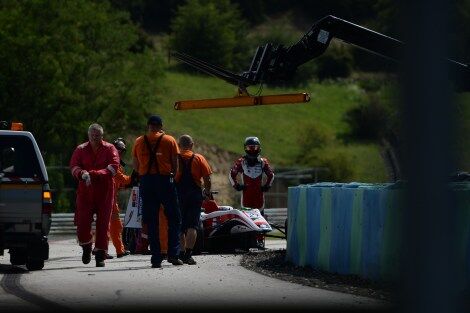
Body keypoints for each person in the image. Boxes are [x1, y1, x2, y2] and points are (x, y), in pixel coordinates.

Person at [132, 115, 182, 268]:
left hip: (146, 182)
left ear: (148, 126)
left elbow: (135, 165)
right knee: (174, 218)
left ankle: (156, 258)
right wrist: (171, 175)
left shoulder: (139, 141)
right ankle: (173, 254)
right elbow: (175, 165)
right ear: (161, 126)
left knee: (151, 221)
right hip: (165, 181)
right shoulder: (169, 140)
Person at [70, 123, 120, 267]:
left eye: (97, 135)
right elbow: (74, 166)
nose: (95, 137)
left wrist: (95, 174)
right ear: (88, 135)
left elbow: (114, 166)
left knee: (103, 224)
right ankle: (86, 246)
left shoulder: (110, 148)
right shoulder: (80, 149)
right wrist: (82, 174)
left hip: (105, 191)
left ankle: (100, 255)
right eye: (92, 135)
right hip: (85, 190)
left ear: (102, 136)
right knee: (82, 222)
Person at [175, 135, 212, 265]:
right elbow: (207, 178)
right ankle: (188, 254)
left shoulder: (175, 158)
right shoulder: (198, 158)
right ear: (192, 145)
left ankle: (180, 253)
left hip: (178, 194)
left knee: (179, 225)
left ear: (179, 145)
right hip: (194, 194)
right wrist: (207, 192)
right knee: (192, 225)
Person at [229, 136, 274, 212]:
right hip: (246, 198)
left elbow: (271, 175)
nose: (252, 150)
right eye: (250, 148)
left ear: (259, 148)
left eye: (255, 148)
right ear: (245, 149)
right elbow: (231, 174)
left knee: (260, 218)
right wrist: (236, 186)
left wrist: (267, 186)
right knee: (247, 219)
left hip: (259, 198)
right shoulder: (241, 162)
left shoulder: (263, 162)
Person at [109, 137, 132, 258]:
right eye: (119, 150)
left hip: (111, 196)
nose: (121, 153)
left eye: (122, 151)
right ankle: (117, 250)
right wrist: (133, 178)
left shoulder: (116, 163)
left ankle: (118, 250)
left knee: (114, 224)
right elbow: (121, 178)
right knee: (114, 224)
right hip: (108, 198)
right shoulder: (113, 163)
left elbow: (120, 182)